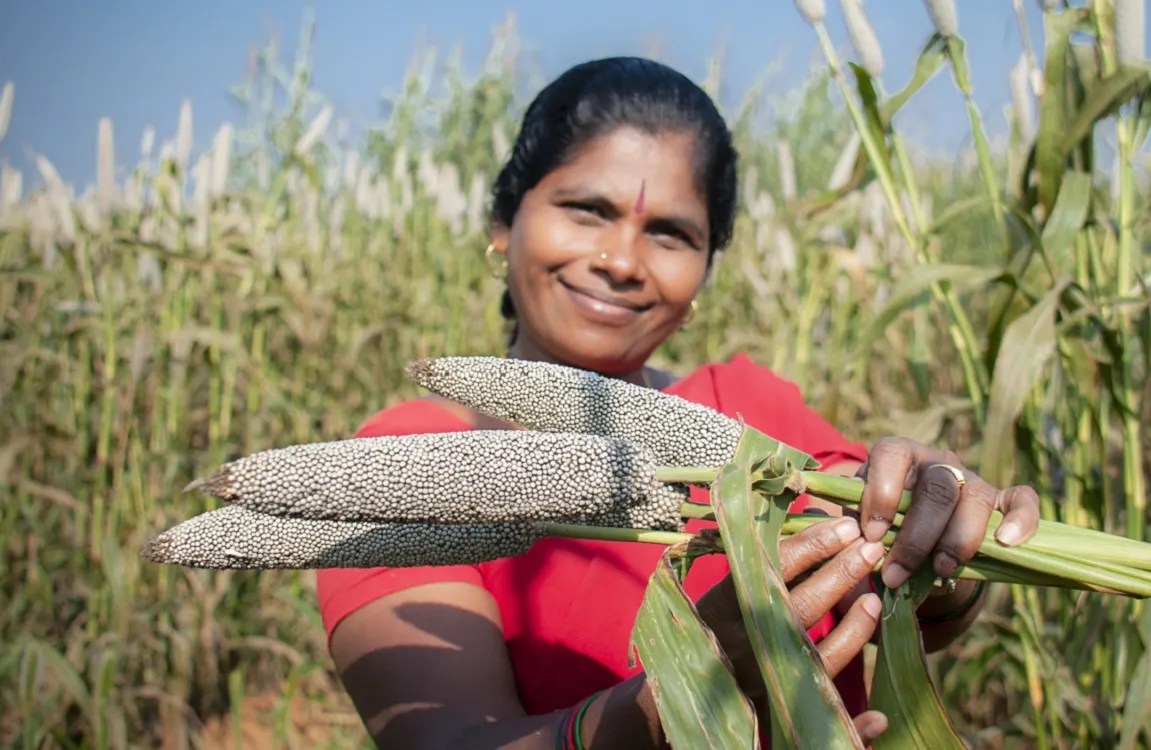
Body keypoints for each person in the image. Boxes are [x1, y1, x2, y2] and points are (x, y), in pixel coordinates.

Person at [315, 56, 1041, 749]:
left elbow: (905, 594)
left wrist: (944, 540)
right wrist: (689, 689)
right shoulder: (406, 468)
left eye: (669, 233)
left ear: (702, 274)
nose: (622, 262)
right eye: (585, 210)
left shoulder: (748, 414)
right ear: (503, 223)